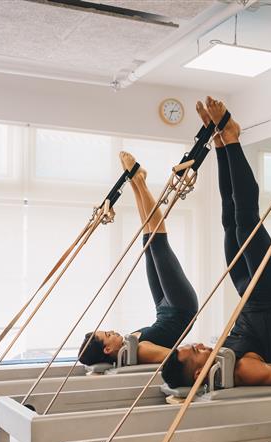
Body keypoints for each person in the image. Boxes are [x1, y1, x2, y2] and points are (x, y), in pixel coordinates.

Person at [160, 97, 271, 388]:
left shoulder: (223, 360)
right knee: (247, 221)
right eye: (196, 352)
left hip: (248, 294)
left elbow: (263, 351)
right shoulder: (243, 370)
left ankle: (220, 140)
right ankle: (231, 138)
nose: (201, 346)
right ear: (198, 375)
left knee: (229, 222)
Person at [78, 152, 198, 366]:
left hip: (163, 308)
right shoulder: (140, 350)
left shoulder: (128, 344)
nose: (112, 330)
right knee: (159, 243)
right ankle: (140, 181)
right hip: (181, 307)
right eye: (108, 334)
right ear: (107, 349)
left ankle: (136, 180)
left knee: (148, 243)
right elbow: (176, 357)